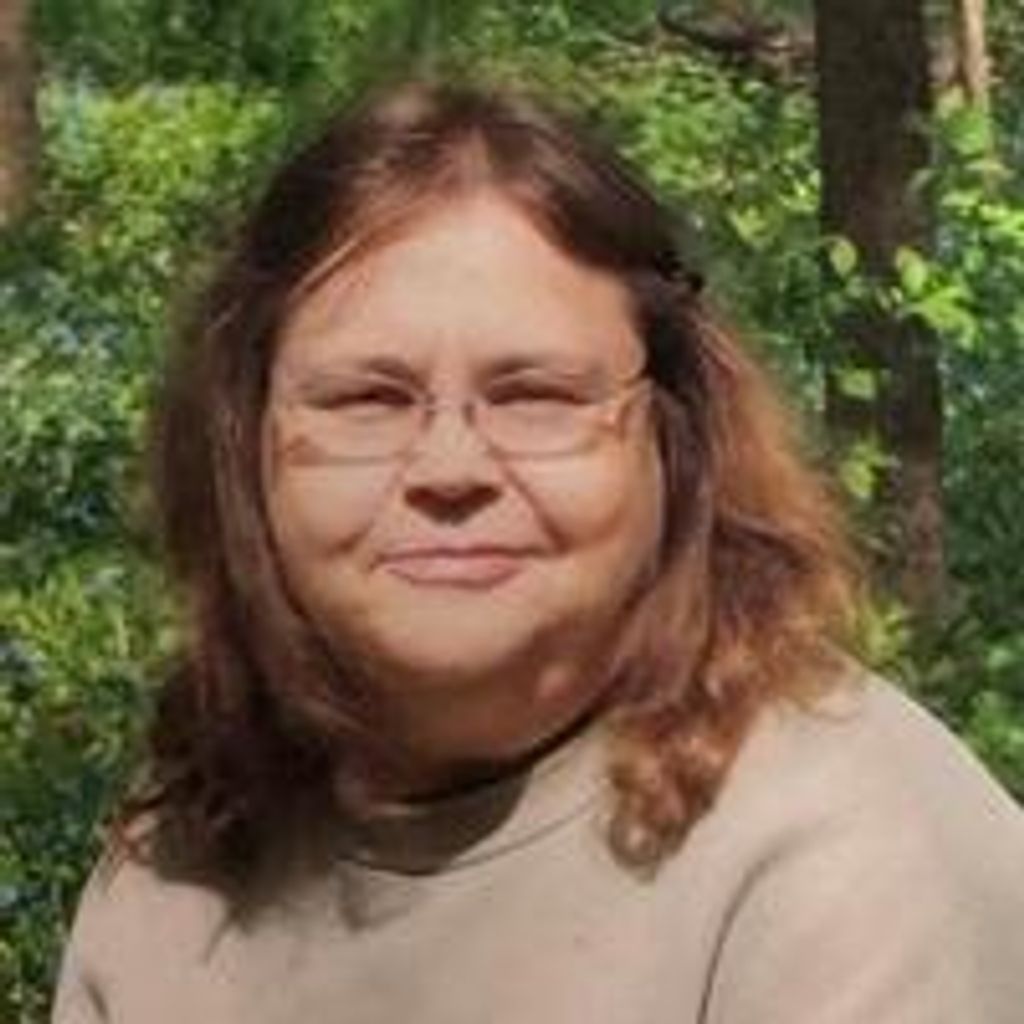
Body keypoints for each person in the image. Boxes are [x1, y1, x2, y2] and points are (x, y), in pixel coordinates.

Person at [53, 79, 1024, 1024]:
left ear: (676, 438)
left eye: (536, 396)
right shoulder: (187, 857)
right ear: (240, 443)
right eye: (366, 399)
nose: (449, 467)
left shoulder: (844, 854)